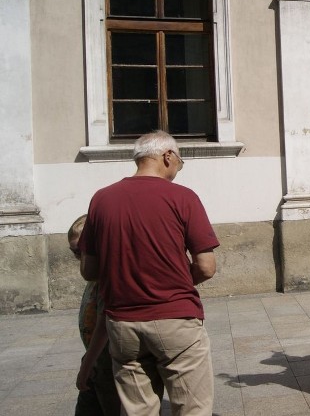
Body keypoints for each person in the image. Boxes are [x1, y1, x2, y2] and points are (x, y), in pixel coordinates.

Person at [78, 130, 219, 416]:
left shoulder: (101, 199)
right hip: (174, 317)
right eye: (179, 161)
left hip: (122, 324)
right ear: (167, 156)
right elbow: (206, 266)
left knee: (137, 410)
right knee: (192, 407)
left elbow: (89, 270)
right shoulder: (182, 197)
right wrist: (173, 281)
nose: (178, 168)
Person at [69, 215, 121, 416]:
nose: (81, 259)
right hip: (95, 360)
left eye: (84, 252)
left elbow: (104, 324)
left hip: (108, 363)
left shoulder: (107, 281)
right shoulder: (93, 279)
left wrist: (87, 363)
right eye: (75, 253)